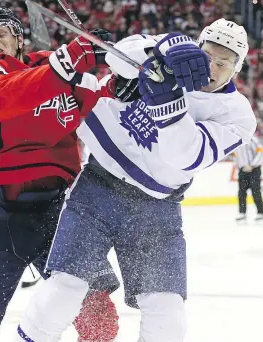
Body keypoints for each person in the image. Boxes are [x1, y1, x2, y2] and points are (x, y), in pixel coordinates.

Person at [15, 19, 255, 342]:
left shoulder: (237, 114)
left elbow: (187, 154)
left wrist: (163, 95)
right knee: (63, 291)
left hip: (156, 211)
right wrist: (162, 49)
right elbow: (116, 56)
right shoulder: (172, 48)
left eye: (224, 63)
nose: (212, 66)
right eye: (207, 55)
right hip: (99, 185)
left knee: (167, 317)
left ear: (236, 70)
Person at [0, 7, 121, 342]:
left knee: (99, 317)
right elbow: (11, 93)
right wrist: (68, 60)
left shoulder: (55, 68)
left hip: (61, 211)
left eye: (1, 33)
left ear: (19, 39)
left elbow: (99, 95)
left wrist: (122, 80)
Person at [234, 135, 263, 223]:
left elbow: (260, 152)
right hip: (243, 170)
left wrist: (252, 165)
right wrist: (241, 166)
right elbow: (236, 155)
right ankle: (242, 213)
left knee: (255, 191)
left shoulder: (253, 139)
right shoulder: (236, 141)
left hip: (254, 169)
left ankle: (260, 212)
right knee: (241, 192)